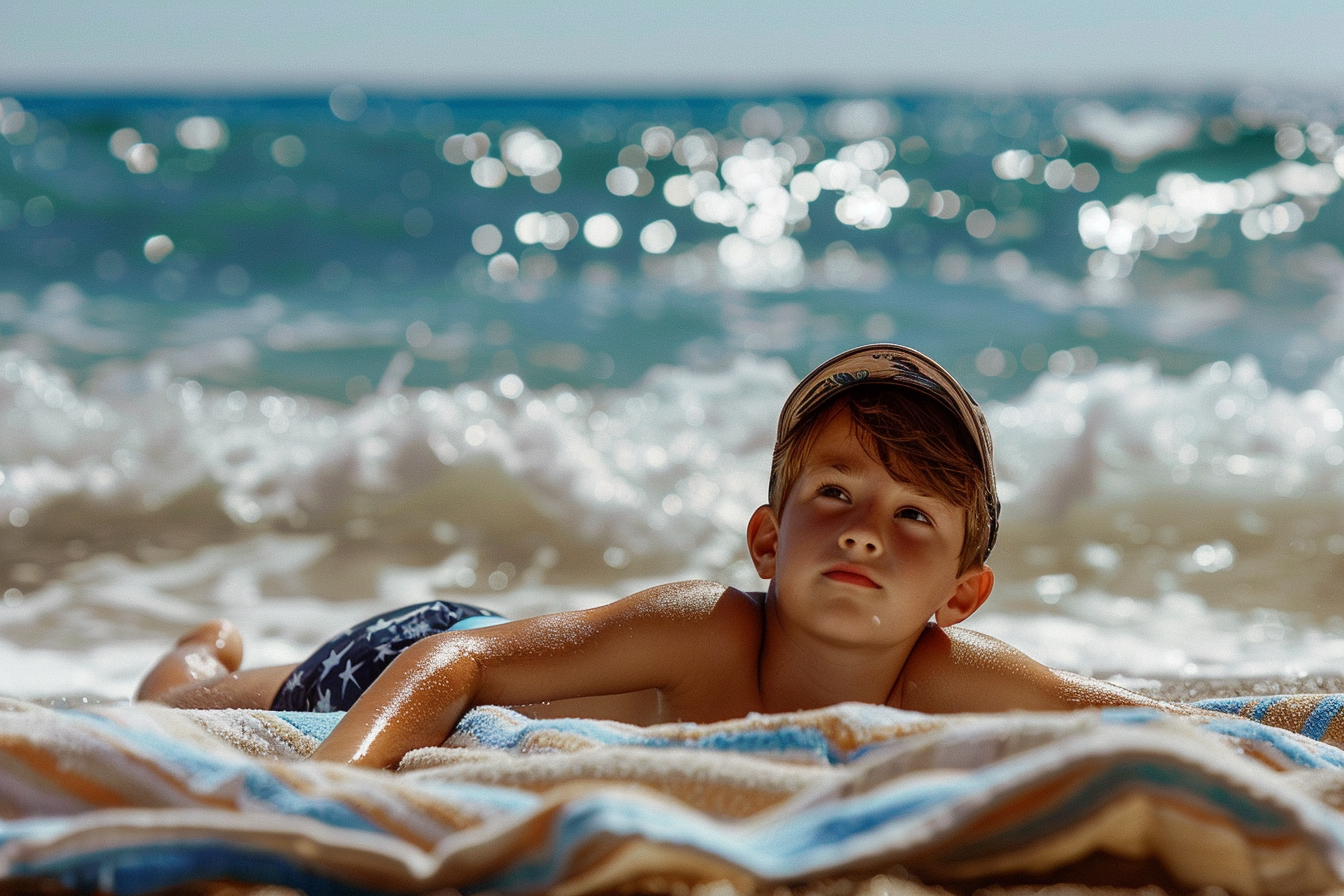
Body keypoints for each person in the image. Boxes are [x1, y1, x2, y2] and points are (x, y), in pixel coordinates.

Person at [138, 344, 1182, 769]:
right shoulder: (710, 627)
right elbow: (459, 667)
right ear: (768, 540)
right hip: (432, 650)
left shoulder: (946, 673)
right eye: (835, 494)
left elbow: (1120, 715)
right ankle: (190, 658)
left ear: (959, 594)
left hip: (498, 659)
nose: (867, 528)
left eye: (914, 515)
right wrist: (338, 793)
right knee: (212, 705)